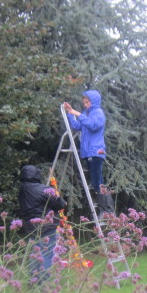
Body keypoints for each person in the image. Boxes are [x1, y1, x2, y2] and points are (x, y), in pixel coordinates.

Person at [63, 90, 114, 218]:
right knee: (97, 180)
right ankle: (106, 210)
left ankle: (107, 210)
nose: (85, 105)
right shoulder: (86, 114)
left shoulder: (98, 113)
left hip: (96, 151)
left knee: (98, 181)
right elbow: (77, 125)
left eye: (87, 102)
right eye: (84, 102)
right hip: (88, 152)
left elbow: (93, 125)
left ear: (94, 102)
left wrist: (78, 114)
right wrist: (70, 113)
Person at [18, 165, 67, 283]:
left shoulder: (23, 189)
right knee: (47, 254)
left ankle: (33, 281)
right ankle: (43, 282)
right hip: (46, 226)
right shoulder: (42, 189)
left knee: (36, 253)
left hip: (30, 226)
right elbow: (61, 204)